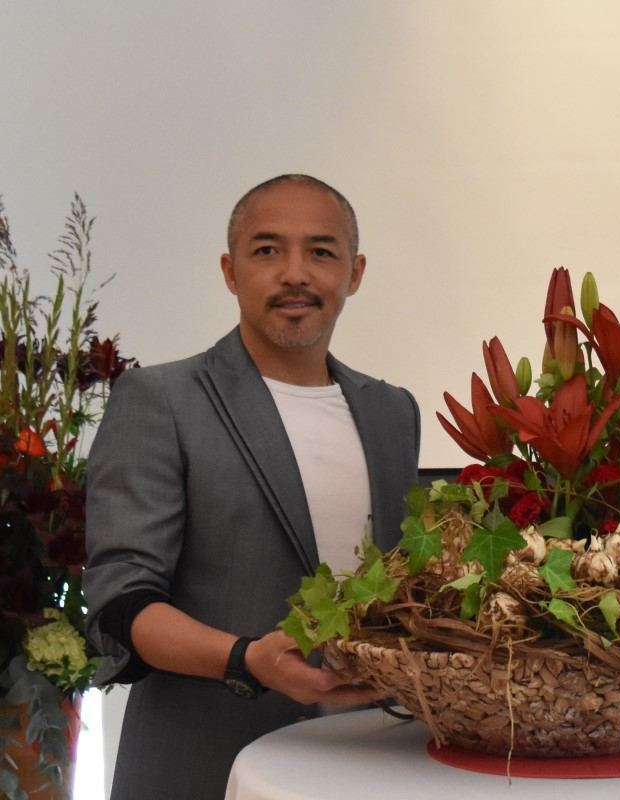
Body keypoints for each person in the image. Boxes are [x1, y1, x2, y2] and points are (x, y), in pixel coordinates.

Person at [83, 174, 420, 800]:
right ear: (230, 271)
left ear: (355, 272)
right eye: (267, 250)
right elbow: (122, 603)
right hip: (205, 764)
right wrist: (245, 659)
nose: (295, 274)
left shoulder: (392, 411)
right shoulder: (161, 400)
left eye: (321, 251)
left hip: (370, 759)